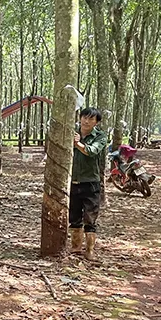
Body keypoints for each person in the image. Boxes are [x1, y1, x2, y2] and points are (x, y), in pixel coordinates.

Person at [70, 107, 108, 260]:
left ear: (96, 123)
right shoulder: (71, 132)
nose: (86, 121)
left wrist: (77, 144)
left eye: (91, 119)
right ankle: (75, 247)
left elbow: (92, 151)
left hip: (91, 183)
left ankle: (90, 250)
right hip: (72, 182)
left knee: (90, 218)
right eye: (84, 117)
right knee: (74, 217)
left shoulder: (100, 136)